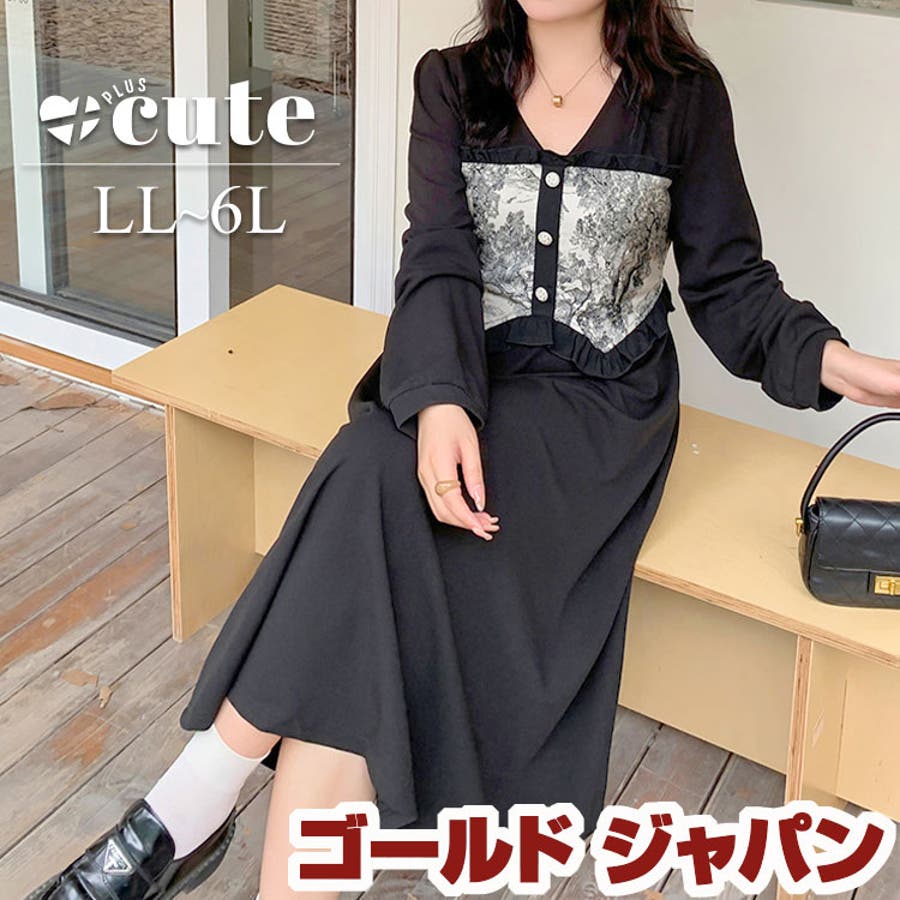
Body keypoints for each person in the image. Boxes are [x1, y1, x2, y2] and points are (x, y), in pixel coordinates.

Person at [28, 1, 900, 899]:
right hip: (463, 368)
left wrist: (835, 363)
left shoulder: (684, 97)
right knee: (375, 484)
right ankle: (202, 816)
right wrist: (442, 396)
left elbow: (729, 281)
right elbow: (437, 252)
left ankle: (185, 808)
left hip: (599, 413)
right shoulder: (452, 82)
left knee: (367, 492)